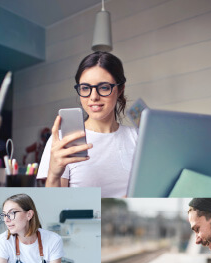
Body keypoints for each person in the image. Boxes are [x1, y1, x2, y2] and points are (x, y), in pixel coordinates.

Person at [36, 51, 138, 197]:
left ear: (120, 89)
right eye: (85, 88)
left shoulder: (138, 138)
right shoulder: (62, 141)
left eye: (104, 87)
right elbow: (54, 208)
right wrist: (53, 175)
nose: (93, 97)